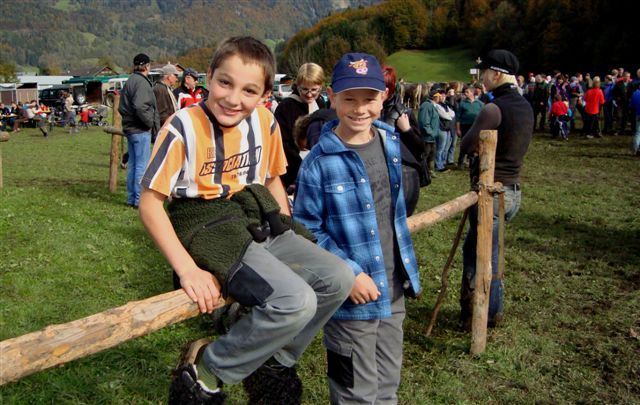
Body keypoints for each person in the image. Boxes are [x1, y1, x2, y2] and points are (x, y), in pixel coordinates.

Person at [138, 36, 354, 404]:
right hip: (208, 223)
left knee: (338, 278)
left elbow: (272, 179)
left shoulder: (266, 121)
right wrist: (187, 270)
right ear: (209, 76)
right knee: (296, 300)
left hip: (255, 214)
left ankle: (274, 359)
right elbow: (150, 204)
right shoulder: (182, 127)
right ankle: (206, 370)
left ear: (265, 94)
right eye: (225, 82)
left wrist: (287, 229)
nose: (233, 98)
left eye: (249, 90)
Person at [293, 52, 421, 405]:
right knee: (355, 395)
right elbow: (305, 230)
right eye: (350, 99)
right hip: (351, 302)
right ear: (332, 98)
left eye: (369, 98)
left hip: (393, 289)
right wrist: (349, 274)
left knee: (387, 386)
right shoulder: (318, 162)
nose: (360, 108)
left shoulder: (390, 142)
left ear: (384, 98)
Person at [459, 49, 533, 329]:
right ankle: (489, 309)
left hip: (491, 192)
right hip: (513, 190)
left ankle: (484, 313)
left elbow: (466, 144)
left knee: (481, 255)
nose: (482, 79)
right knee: (484, 249)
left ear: (497, 74)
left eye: (486, 73)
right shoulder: (525, 106)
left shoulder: (493, 109)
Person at [274, 62, 328, 191]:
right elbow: (283, 143)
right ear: (297, 86)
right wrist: (301, 169)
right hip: (293, 172)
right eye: (304, 89)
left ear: (321, 87)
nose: (309, 94)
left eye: (314, 90)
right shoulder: (286, 107)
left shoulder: (320, 103)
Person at [118, 53, 160, 208]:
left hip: (130, 128)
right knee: (142, 166)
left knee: (133, 165)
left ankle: (131, 198)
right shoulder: (141, 83)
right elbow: (140, 106)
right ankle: (138, 200)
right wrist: (149, 123)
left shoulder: (130, 80)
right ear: (147, 66)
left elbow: (122, 107)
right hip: (140, 129)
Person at [456, 85, 484, 168]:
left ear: (472, 93)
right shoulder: (462, 103)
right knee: (464, 143)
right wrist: (458, 129)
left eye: (467, 92)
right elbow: (458, 118)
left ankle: (471, 162)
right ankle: (460, 162)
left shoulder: (480, 104)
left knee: (473, 144)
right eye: (465, 92)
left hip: (475, 127)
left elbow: (483, 116)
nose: (465, 93)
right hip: (464, 126)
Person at [418, 88, 441, 177]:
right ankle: (422, 172)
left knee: (432, 154)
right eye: (438, 96)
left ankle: (430, 171)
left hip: (432, 137)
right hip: (427, 137)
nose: (440, 98)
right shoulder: (426, 106)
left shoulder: (432, 105)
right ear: (434, 97)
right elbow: (424, 121)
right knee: (425, 155)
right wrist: (430, 132)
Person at [153, 63, 179, 127]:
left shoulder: (166, 88)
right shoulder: (160, 89)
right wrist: (171, 126)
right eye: (175, 75)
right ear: (169, 76)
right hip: (165, 127)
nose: (177, 79)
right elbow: (162, 113)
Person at [631, 85, 640, 156]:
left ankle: (635, 149)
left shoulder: (635, 93)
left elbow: (632, 105)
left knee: (638, 133)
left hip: (638, 114)